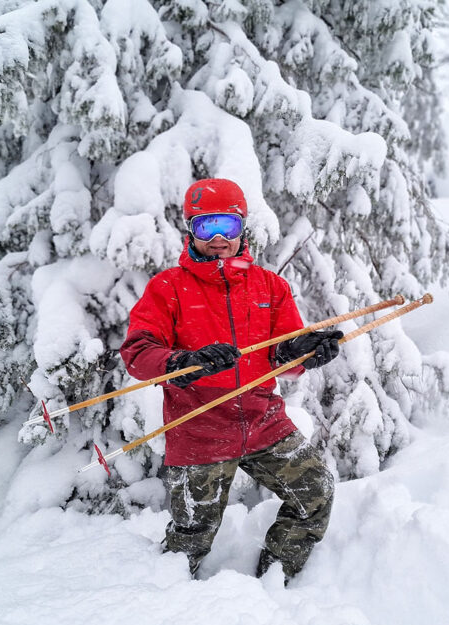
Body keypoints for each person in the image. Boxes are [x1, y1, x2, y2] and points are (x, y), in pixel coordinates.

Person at [119, 178, 342, 583]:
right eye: (206, 227)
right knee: (193, 535)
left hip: (262, 421)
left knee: (316, 492)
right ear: (191, 230)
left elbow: (284, 357)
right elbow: (136, 354)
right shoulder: (169, 288)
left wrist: (304, 353)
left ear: (243, 228)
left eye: (228, 225)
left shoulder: (269, 286)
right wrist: (182, 362)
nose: (219, 238)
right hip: (198, 428)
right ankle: (162, 603)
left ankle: (276, 578)